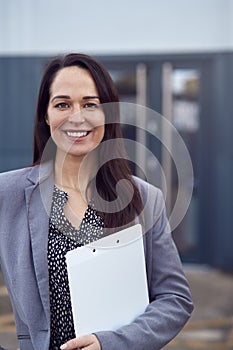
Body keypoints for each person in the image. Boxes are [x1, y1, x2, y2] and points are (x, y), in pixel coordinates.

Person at [0, 53, 193, 350]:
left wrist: (110, 343)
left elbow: (175, 299)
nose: (77, 116)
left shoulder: (145, 199)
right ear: (45, 115)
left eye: (90, 104)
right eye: (63, 104)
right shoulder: (7, 194)